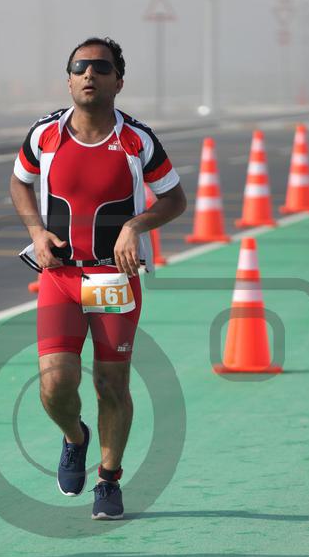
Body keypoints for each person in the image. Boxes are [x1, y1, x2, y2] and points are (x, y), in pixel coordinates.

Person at [10, 36, 186, 520]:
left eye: (101, 68)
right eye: (80, 67)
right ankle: (75, 437)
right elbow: (20, 181)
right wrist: (36, 231)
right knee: (55, 384)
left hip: (113, 278)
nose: (89, 74)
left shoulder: (137, 140)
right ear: (68, 80)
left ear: (118, 81)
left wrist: (135, 226)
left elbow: (175, 199)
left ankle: (108, 480)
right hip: (61, 276)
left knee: (111, 385)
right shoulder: (45, 134)